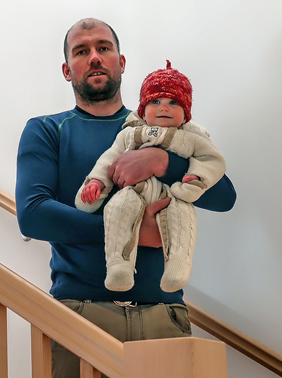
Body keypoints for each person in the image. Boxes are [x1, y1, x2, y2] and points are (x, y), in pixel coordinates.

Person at [15, 18, 236, 377]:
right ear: (67, 70)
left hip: (164, 315)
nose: (94, 57)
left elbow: (224, 196)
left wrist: (161, 160)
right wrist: (131, 229)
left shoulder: (166, 129)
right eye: (81, 51)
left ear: (122, 61)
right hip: (82, 315)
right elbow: (33, 214)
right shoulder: (46, 130)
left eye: (104, 48)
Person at [75, 61, 226, 293]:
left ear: (185, 114)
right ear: (143, 111)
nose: (164, 107)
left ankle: (178, 266)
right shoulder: (129, 134)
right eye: (155, 102)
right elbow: (108, 160)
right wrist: (96, 182)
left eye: (173, 103)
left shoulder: (191, 138)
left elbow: (212, 160)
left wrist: (195, 177)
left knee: (182, 215)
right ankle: (118, 267)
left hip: (173, 195)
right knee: (117, 208)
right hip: (132, 192)